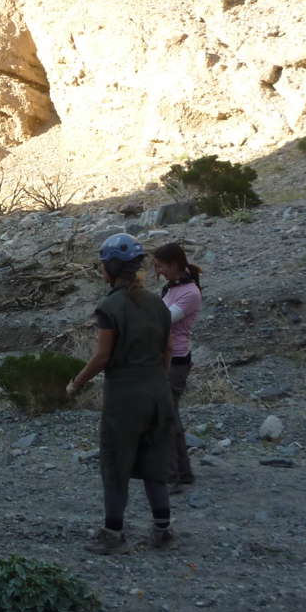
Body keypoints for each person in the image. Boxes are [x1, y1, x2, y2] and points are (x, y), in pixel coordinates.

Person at [65, 233, 177, 553]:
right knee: (155, 462)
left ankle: (113, 534)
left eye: (103, 264)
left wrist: (76, 383)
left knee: (116, 463)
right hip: (159, 391)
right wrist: (158, 381)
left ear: (113, 267)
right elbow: (168, 350)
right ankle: (163, 531)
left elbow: (102, 357)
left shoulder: (109, 307)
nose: (101, 269)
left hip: (126, 395)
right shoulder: (158, 303)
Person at [152, 242, 203, 492]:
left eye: (161, 266)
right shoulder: (172, 288)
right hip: (166, 358)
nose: (158, 271)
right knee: (170, 416)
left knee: (165, 418)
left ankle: (171, 476)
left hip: (176, 361)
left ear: (174, 264)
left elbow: (163, 320)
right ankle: (183, 472)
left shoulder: (190, 293)